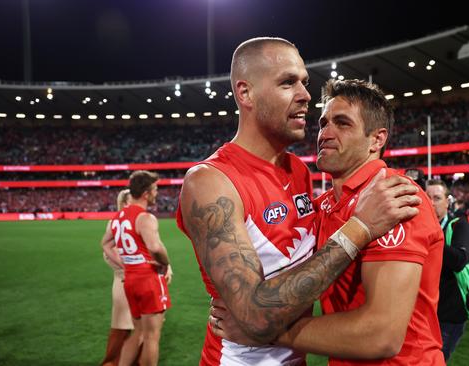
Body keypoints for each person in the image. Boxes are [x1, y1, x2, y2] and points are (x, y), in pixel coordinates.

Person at [176, 38, 421, 365]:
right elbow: (254, 316)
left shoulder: (299, 172)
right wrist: (360, 227)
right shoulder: (210, 181)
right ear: (245, 93)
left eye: (304, 82)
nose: (306, 95)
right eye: (287, 82)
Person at [212, 79, 445, 364]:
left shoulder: (395, 198)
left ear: (377, 139)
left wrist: (263, 330)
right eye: (324, 123)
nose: (325, 133)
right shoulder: (322, 206)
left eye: (343, 123)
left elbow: (380, 336)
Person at [101, 171, 172, 366]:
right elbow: (155, 247)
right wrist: (165, 263)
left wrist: (126, 263)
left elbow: (106, 244)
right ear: (146, 193)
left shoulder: (118, 217)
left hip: (130, 279)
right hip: (148, 279)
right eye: (155, 189)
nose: (157, 194)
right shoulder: (145, 218)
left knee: (138, 332)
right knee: (151, 338)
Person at [426, 179, 469, 361]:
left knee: (436, 359)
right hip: (421, 310)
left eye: (437, 198)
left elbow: (459, 260)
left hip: (449, 311)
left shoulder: (458, 226)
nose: (431, 202)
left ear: (448, 201)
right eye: (427, 197)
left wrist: (430, 235)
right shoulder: (415, 227)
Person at [101, 189, 136, 366]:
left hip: (141, 281)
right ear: (123, 203)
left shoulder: (138, 220)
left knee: (140, 328)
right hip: (124, 282)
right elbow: (108, 254)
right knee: (122, 327)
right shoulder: (115, 223)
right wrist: (127, 267)